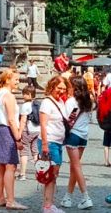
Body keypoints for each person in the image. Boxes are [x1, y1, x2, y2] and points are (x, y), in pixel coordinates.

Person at [0, 69, 27, 210]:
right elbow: (12, 120)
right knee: (10, 166)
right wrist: (18, 137)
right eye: (16, 79)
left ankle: (0, 198)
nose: (18, 82)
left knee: (0, 166)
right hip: (7, 131)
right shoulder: (9, 96)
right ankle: (11, 200)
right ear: (7, 80)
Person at [60, 76, 94, 210]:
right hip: (83, 136)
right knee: (74, 167)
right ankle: (67, 197)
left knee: (76, 167)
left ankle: (86, 197)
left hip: (73, 136)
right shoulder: (89, 102)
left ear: (74, 87)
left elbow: (67, 119)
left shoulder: (70, 101)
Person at [39, 75, 70, 213]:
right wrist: (45, 145)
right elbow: (43, 125)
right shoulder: (47, 102)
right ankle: (47, 206)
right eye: (59, 88)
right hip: (49, 141)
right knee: (50, 174)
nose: (61, 91)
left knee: (54, 174)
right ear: (52, 87)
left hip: (57, 142)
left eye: (64, 88)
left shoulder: (61, 102)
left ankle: (50, 203)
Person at [18, 86, 40, 181]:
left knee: (24, 152)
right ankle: (39, 173)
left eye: (25, 94)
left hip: (27, 131)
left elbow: (23, 121)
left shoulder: (25, 105)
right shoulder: (38, 104)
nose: (23, 95)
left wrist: (19, 132)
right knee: (35, 152)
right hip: (37, 131)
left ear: (30, 94)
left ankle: (22, 174)